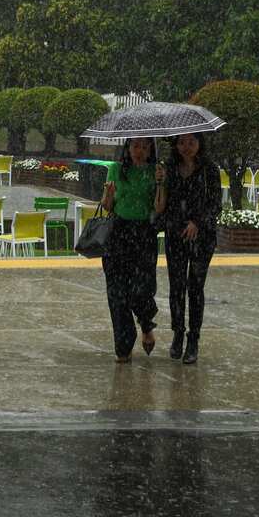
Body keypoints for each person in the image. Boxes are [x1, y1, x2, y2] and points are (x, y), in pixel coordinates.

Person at [157, 133, 221, 365]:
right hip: (175, 234)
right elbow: (163, 205)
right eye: (182, 142)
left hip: (202, 238)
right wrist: (160, 182)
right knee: (176, 287)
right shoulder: (169, 168)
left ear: (200, 143)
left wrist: (197, 222)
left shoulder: (209, 169)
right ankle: (177, 333)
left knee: (195, 288)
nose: (186, 147)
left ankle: (193, 339)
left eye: (191, 142)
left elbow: (215, 204)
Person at [100, 137, 164, 363]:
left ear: (151, 150)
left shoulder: (155, 171)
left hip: (143, 235)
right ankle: (123, 345)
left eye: (145, 147)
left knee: (141, 290)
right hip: (118, 234)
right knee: (117, 293)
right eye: (135, 146)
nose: (140, 151)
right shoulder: (116, 169)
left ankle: (146, 325)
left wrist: (160, 184)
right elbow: (107, 206)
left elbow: (158, 208)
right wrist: (108, 193)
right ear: (127, 147)